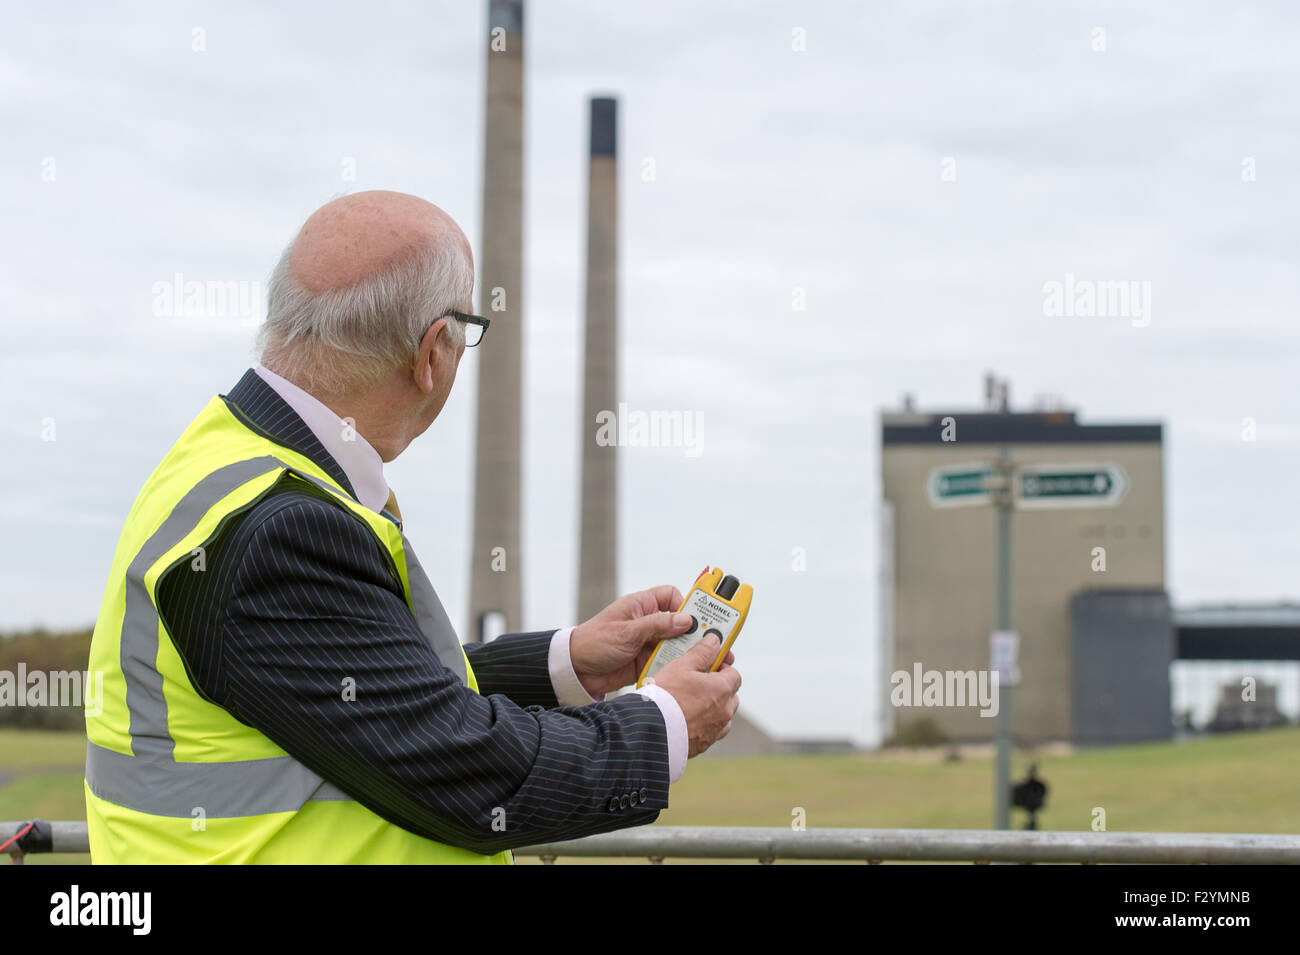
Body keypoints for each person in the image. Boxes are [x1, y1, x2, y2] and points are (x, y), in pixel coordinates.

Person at [83, 190, 742, 863]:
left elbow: (369, 694)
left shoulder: (231, 462)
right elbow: (470, 776)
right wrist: (664, 723)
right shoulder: (283, 529)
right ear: (432, 351)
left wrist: (567, 662)